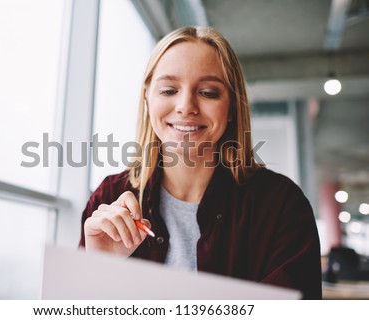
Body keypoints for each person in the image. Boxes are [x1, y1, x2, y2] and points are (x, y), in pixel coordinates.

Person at [79, 26, 322, 299]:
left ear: (231, 107)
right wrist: (98, 270)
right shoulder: (109, 198)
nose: (186, 106)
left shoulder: (281, 206)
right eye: (169, 90)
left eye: (208, 92)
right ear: (147, 101)